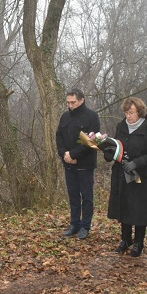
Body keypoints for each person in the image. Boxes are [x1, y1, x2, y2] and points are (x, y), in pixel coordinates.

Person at [104, 97, 147, 257]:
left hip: (140, 176)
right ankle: (125, 239)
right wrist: (108, 153)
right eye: (126, 113)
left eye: (131, 113)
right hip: (121, 174)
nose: (128, 116)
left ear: (140, 112)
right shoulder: (121, 127)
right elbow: (117, 147)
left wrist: (137, 163)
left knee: (139, 209)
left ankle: (138, 242)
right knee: (124, 207)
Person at [56, 88, 101, 240]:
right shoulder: (64, 117)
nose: (70, 105)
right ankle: (74, 224)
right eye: (68, 102)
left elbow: (92, 140)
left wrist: (74, 154)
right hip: (68, 163)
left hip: (85, 163)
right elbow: (59, 137)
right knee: (73, 195)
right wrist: (65, 155)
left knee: (86, 196)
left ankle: (85, 226)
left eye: (73, 102)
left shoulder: (92, 117)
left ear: (81, 100)